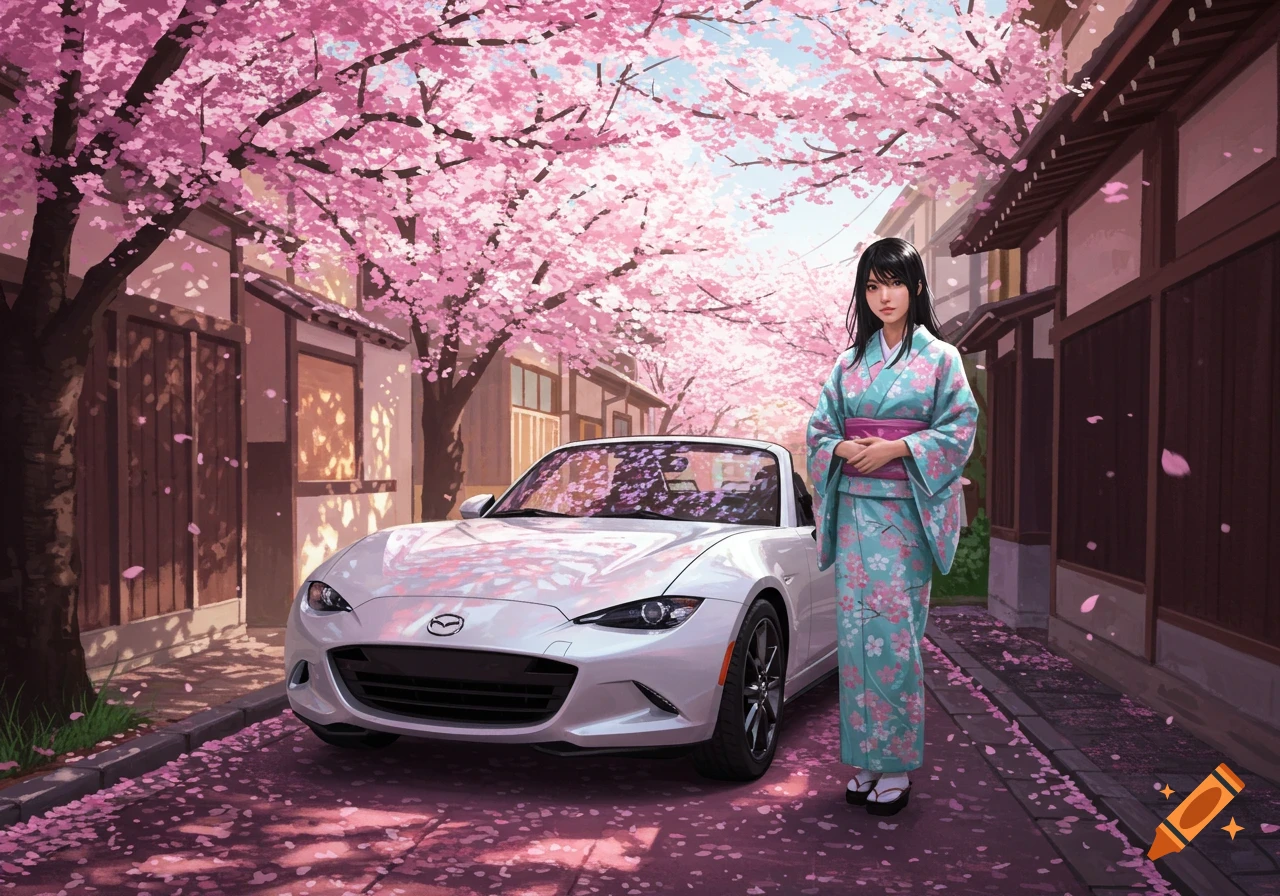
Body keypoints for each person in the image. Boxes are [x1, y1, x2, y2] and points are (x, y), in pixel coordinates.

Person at [805, 237, 978, 816]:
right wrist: (842, 451)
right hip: (856, 512)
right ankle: (867, 760)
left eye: (894, 283)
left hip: (905, 517)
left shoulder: (941, 359)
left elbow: (959, 429)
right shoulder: (848, 364)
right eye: (872, 286)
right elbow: (818, 432)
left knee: (894, 638)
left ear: (917, 288)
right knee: (855, 641)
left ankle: (897, 765)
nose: (883, 296)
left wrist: (898, 450)